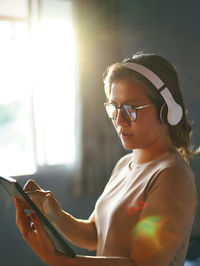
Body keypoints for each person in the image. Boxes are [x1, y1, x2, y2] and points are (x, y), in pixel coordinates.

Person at [14, 52, 199, 266]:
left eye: (131, 109)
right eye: (114, 108)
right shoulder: (125, 164)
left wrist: (56, 260)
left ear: (167, 111)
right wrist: (54, 214)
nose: (119, 120)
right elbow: (95, 234)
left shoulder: (172, 177)